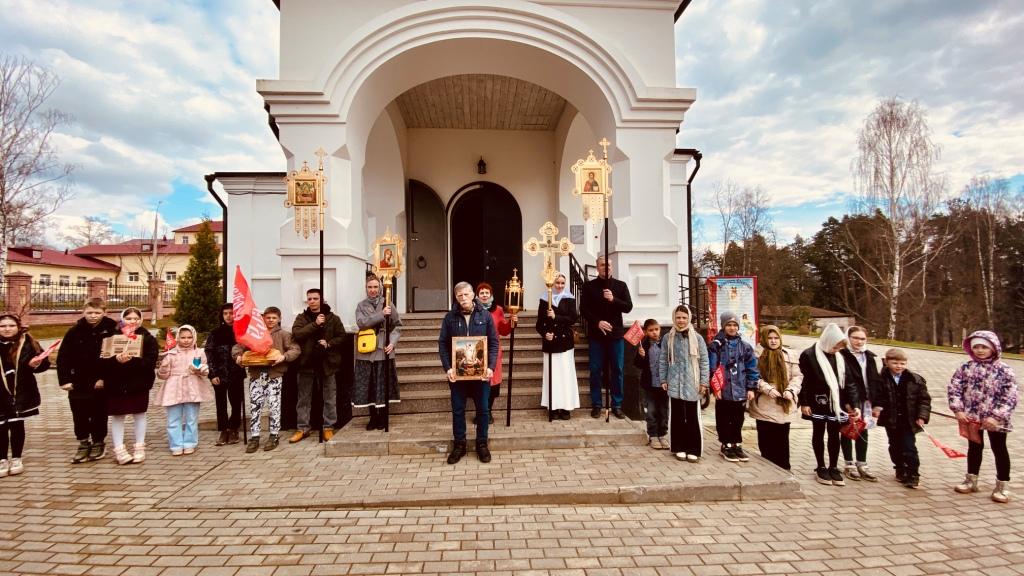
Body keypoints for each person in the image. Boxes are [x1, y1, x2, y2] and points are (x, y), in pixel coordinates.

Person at [948, 330, 1019, 503]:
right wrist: (958, 410)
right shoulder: (965, 368)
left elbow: (1010, 396)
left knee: (999, 449)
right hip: (972, 417)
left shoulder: (1004, 370)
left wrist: (996, 417)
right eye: (976, 347)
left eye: (984, 347)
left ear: (993, 348)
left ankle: (1002, 485)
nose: (980, 350)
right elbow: (954, 389)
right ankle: (971, 480)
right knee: (974, 447)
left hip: (995, 421)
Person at [439, 282, 498, 464]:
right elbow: (443, 344)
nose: (463, 298)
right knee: (458, 410)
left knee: (483, 409)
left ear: (473, 295)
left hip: (481, 373)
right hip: (458, 373)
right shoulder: (450, 318)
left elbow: (493, 343)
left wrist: (490, 367)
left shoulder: (485, 316)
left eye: (466, 294)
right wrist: (448, 368)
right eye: (459, 296)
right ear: (456, 297)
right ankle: (459, 445)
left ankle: (482, 444)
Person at [57, 297, 119, 463]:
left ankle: (98, 442)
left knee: (99, 413)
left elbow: (114, 358)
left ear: (105, 312)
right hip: (78, 381)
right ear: (83, 312)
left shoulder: (112, 331)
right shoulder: (74, 331)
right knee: (79, 414)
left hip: (100, 382)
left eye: (97, 313)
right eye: (89, 312)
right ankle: (83, 442)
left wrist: (105, 379)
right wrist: (65, 379)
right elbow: (63, 357)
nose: (93, 316)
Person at [799, 323, 860, 486]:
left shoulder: (841, 357)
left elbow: (849, 382)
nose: (837, 350)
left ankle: (833, 466)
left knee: (834, 434)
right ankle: (820, 466)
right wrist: (804, 402)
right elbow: (804, 380)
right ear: (828, 341)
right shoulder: (809, 354)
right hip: (817, 401)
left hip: (837, 403)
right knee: (818, 432)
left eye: (840, 347)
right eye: (835, 346)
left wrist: (854, 404)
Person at [233, 306, 300, 453]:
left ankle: (274, 435)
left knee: (274, 406)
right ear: (263, 318)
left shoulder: (284, 334)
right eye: (268, 317)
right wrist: (238, 356)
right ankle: (255, 437)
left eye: (274, 318)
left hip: (274, 375)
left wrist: (283, 357)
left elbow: (295, 349)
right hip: (256, 374)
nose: (270, 320)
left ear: (279, 319)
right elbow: (238, 346)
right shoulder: (254, 333)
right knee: (255, 406)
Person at [102, 307, 158, 465]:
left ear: (140, 320)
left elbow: (150, 362)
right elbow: (103, 361)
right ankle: (119, 449)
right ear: (122, 320)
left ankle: (139, 448)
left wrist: (132, 360)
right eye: (128, 318)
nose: (132, 321)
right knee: (118, 416)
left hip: (138, 383)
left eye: (136, 318)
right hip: (117, 384)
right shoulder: (112, 337)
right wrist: (116, 360)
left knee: (139, 414)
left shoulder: (147, 338)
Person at [579, 255, 633, 418]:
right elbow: (583, 310)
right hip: (597, 335)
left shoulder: (620, 285)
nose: (606, 267)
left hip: (616, 335)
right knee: (595, 370)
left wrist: (613, 299)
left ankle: (617, 404)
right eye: (602, 265)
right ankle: (597, 404)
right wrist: (597, 322)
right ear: (597, 267)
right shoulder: (589, 286)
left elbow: (628, 307)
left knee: (617, 369)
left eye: (608, 265)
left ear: (612, 267)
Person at [290, 288, 345, 443]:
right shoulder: (302, 318)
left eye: (315, 298)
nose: (312, 301)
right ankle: (303, 428)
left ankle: (328, 427)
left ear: (322, 299)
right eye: (309, 299)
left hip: (327, 363)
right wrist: (315, 324)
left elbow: (342, 337)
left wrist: (329, 343)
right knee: (304, 398)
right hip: (306, 362)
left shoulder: (333, 318)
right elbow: (297, 334)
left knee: (329, 397)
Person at [872, 348, 930, 489]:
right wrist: (877, 407)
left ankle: (913, 474)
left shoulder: (915, 379)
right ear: (886, 362)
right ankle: (899, 468)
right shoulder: (880, 379)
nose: (899, 366)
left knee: (909, 447)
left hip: (908, 420)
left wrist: (922, 416)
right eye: (895, 363)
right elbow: (877, 396)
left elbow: (924, 400)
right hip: (891, 420)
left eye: (902, 363)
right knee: (894, 445)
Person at [0, 314, 49, 477]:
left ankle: (16, 458)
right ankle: (2, 460)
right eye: (3, 326)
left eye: (11, 325)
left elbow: (44, 363)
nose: (7, 329)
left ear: (18, 327)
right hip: (0, 392)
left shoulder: (27, 342)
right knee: (1, 426)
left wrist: (36, 364)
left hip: (20, 391)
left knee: (16, 424)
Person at [658, 305, 709, 462]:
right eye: (678, 317)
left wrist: (704, 382)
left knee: (692, 417)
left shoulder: (697, 338)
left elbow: (704, 361)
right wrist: (663, 379)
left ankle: (693, 448)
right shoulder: (668, 337)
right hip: (674, 381)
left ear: (689, 318)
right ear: (674, 318)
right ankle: (679, 447)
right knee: (677, 416)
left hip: (692, 382)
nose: (681, 320)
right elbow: (663, 359)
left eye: (684, 318)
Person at [707, 311, 759, 462]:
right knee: (724, 418)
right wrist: (715, 388)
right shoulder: (716, 346)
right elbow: (712, 367)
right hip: (723, 389)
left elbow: (752, 368)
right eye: (728, 325)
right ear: (723, 326)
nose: (732, 328)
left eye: (734, 325)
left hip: (740, 389)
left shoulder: (745, 347)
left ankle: (736, 443)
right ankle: (726, 444)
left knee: (738, 418)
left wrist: (751, 387)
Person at [748, 325, 802, 470]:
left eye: (776, 338)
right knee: (766, 441)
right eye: (770, 338)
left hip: (784, 403)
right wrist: (766, 388)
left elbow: (797, 376)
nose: (773, 341)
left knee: (782, 440)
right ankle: (769, 471)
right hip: (764, 404)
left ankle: (784, 469)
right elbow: (753, 375)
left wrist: (791, 390)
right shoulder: (757, 355)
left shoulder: (789, 355)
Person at [354, 274, 402, 430]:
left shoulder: (387, 303)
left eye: (375, 287)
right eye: (370, 287)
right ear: (366, 288)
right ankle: (373, 417)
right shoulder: (361, 306)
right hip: (366, 350)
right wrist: (381, 315)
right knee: (369, 385)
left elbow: (397, 325)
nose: (372, 290)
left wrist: (392, 342)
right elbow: (362, 323)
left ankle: (383, 416)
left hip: (383, 349)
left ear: (380, 288)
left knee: (383, 385)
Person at [156, 325, 212, 455]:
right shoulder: (171, 353)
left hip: (193, 387)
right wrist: (163, 368)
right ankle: (176, 445)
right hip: (173, 387)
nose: (186, 340)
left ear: (194, 337)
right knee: (173, 418)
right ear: (178, 338)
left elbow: (204, 371)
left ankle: (190, 443)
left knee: (191, 418)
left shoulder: (199, 353)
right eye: (183, 337)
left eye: (189, 337)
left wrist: (200, 370)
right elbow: (162, 375)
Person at [839, 326, 882, 481]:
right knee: (847, 430)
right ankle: (849, 464)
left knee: (862, 430)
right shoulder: (842, 355)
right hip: (849, 400)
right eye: (855, 338)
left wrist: (877, 403)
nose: (859, 341)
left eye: (862, 338)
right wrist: (847, 402)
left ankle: (862, 463)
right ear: (848, 338)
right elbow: (842, 380)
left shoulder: (869, 356)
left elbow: (875, 379)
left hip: (865, 400)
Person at [536, 273, 579, 420]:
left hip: (565, 342)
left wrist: (556, 317)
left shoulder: (569, 298)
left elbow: (573, 318)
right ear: (552, 284)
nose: (560, 286)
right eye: (557, 283)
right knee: (552, 376)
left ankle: (566, 407)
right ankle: (553, 406)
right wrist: (545, 334)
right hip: (551, 343)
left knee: (565, 375)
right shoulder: (544, 299)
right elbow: (539, 324)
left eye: (562, 283)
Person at [205, 303, 246, 446]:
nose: (229, 316)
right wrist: (212, 374)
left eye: (231, 313)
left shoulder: (241, 332)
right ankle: (223, 429)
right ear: (221, 316)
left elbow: (247, 350)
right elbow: (209, 354)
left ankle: (234, 428)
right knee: (221, 403)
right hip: (219, 373)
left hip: (236, 373)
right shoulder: (215, 333)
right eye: (225, 313)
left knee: (236, 402)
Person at [476, 282, 516, 424]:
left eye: (487, 293)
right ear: (477, 295)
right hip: (477, 351)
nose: (484, 295)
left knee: (492, 383)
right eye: (482, 293)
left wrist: (511, 322)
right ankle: (480, 412)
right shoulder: (473, 309)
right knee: (478, 383)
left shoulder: (498, 310)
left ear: (491, 295)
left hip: (493, 351)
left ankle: (488, 411)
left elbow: (503, 330)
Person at [634, 318, 667, 446]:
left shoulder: (665, 344)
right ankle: (653, 435)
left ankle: (662, 435)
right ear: (646, 332)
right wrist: (641, 356)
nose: (654, 332)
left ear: (660, 329)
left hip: (664, 385)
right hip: (649, 384)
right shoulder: (644, 345)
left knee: (663, 411)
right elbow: (638, 365)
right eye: (651, 330)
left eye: (656, 329)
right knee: (651, 411)